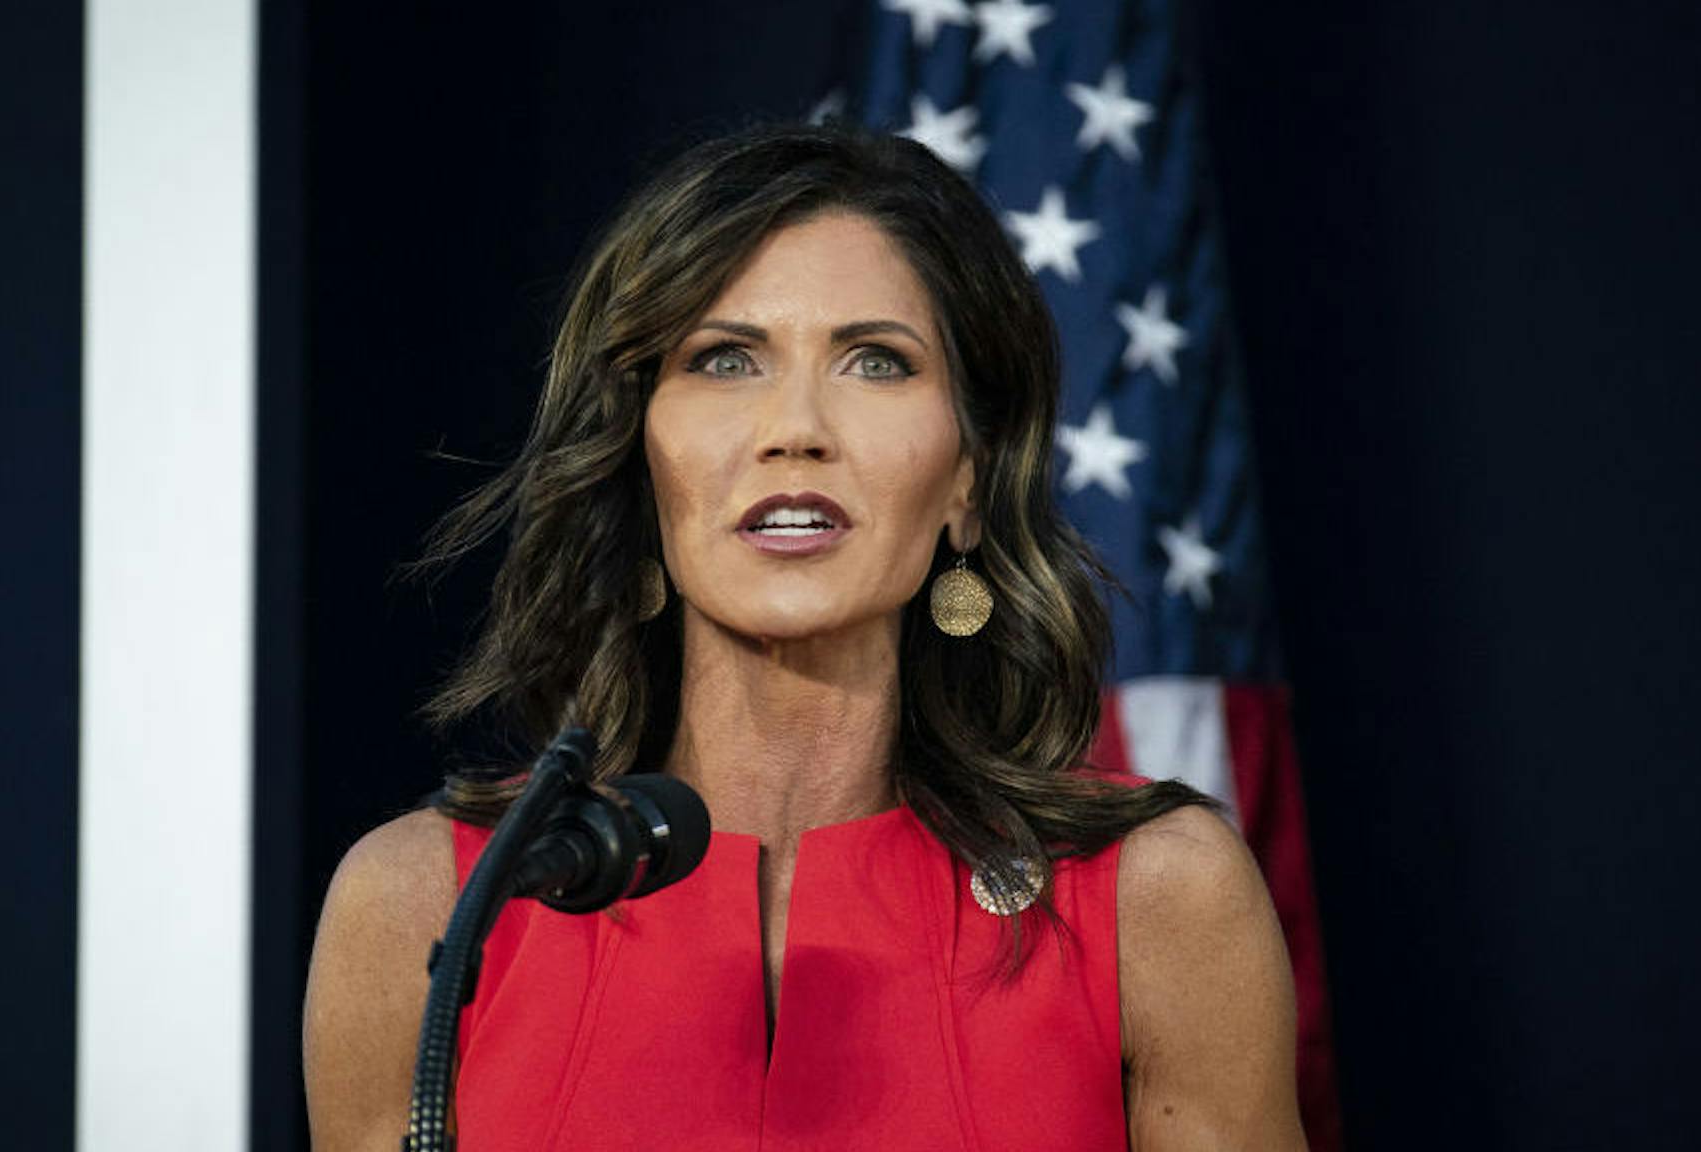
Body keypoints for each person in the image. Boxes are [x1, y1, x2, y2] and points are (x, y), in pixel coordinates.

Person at [303, 123, 1307, 1151]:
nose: (795, 427)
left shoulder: (1156, 899)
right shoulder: (429, 899)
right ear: (636, 457)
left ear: (967, 476)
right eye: (724, 358)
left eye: (875, 362)